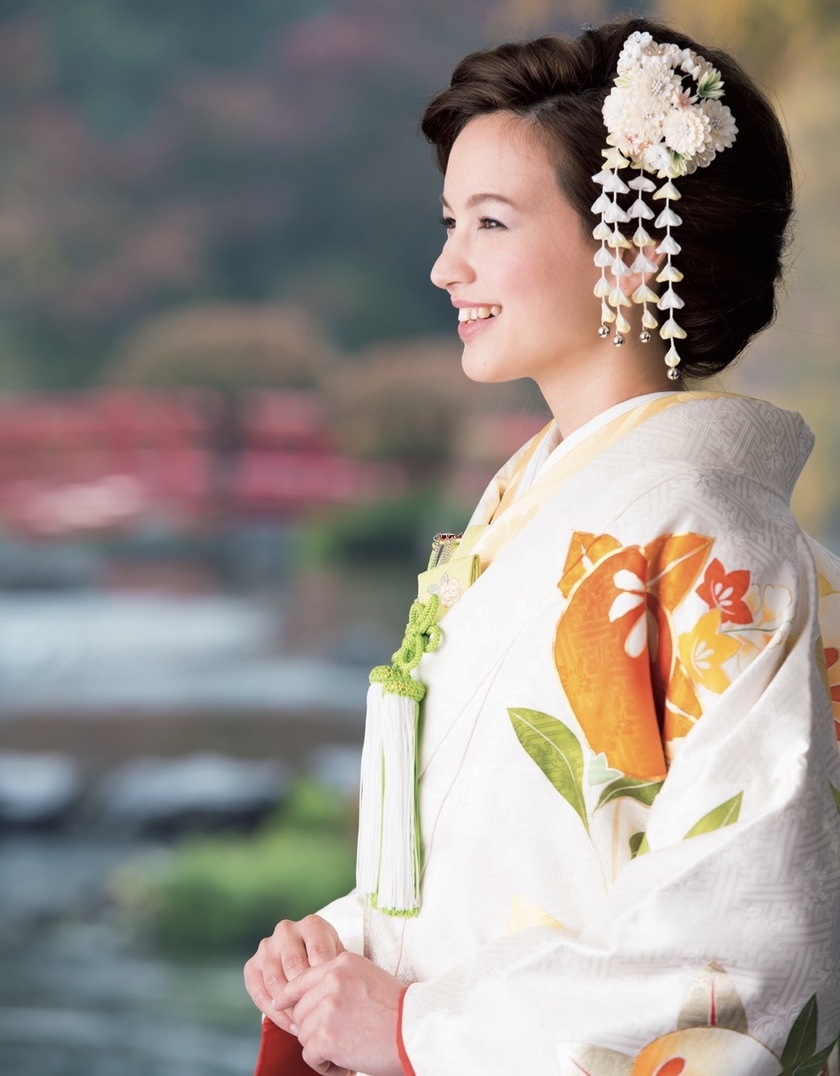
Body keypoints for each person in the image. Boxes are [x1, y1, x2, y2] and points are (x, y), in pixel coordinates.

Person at [244, 15, 840, 1075]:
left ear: (632, 245)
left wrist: (411, 1026)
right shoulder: (532, 499)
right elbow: (512, 857)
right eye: (449, 221)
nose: (444, 266)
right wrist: (345, 944)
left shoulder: (709, 530)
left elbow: (752, 942)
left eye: (490, 223)